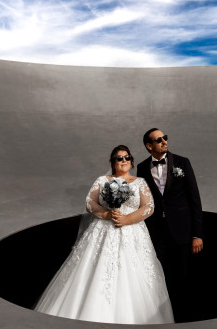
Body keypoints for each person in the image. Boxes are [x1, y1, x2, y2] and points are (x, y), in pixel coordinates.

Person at [34, 145, 174, 324]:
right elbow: (89, 202)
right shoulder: (102, 180)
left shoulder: (139, 182)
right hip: (103, 229)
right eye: (119, 158)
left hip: (132, 232)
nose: (123, 160)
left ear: (131, 161)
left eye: (127, 157)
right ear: (113, 162)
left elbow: (149, 206)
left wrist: (127, 219)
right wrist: (106, 214)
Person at [137, 128, 204, 322]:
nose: (164, 141)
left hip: (182, 231)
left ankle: (185, 318)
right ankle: (166, 317)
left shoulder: (182, 163)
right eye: (159, 140)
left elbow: (195, 200)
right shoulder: (142, 168)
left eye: (165, 138)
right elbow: (144, 200)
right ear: (149, 146)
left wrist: (197, 234)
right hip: (157, 233)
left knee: (183, 276)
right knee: (161, 276)